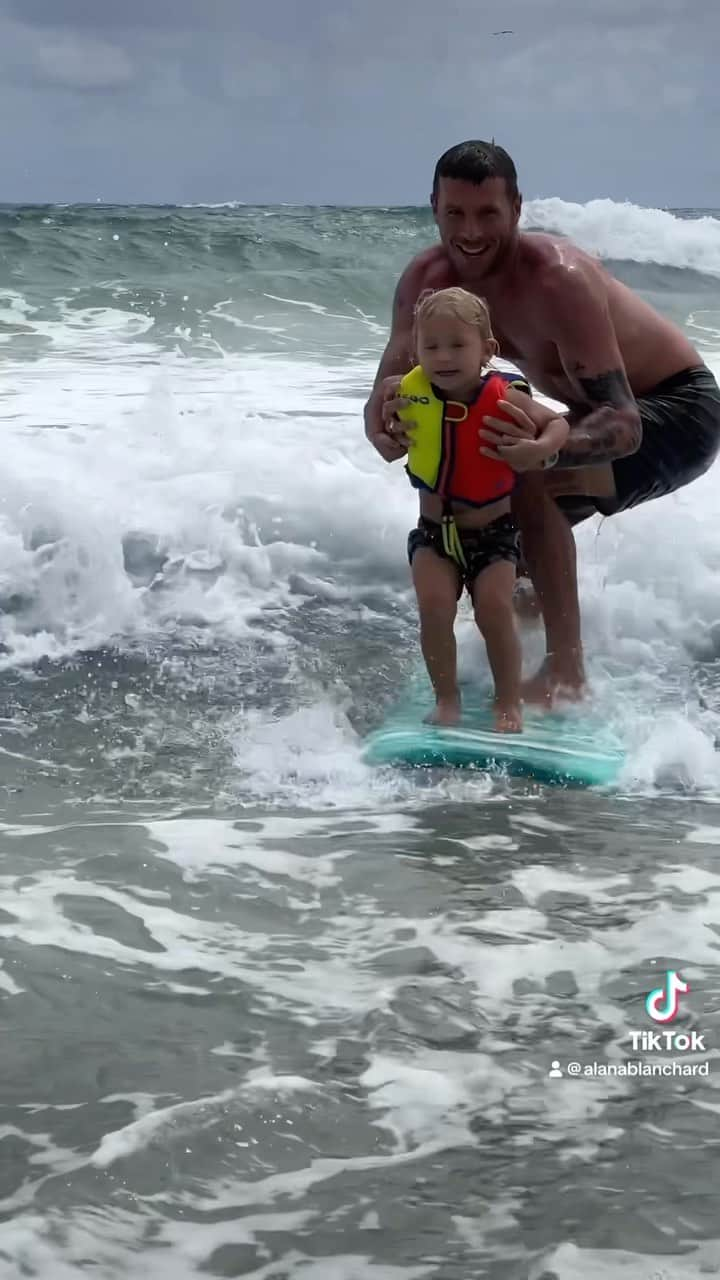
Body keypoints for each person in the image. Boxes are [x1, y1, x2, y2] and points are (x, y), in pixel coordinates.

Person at [364, 141, 720, 705]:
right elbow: (387, 386)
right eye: (455, 213)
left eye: (489, 214)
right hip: (593, 417)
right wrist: (382, 427)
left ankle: (566, 673)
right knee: (484, 498)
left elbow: (623, 424)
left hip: (679, 413)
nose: (471, 231)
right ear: (433, 206)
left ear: (517, 209)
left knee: (527, 481)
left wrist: (545, 453)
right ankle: (519, 654)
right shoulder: (425, 283)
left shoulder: (558, 279)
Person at [398, 286, 567, 731]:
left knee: (494, 609)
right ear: (416, 350)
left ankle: (508, 701)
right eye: (430, 345)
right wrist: (388, 426)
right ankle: (447, 698)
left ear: (486, 350)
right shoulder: (411, 393)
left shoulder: (504, 396)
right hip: (432, 532)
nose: (443, 356)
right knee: (434, 607)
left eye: (457, 344)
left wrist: (538, 450)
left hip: (493, 534)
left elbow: (558, 423)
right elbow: (386, 422)